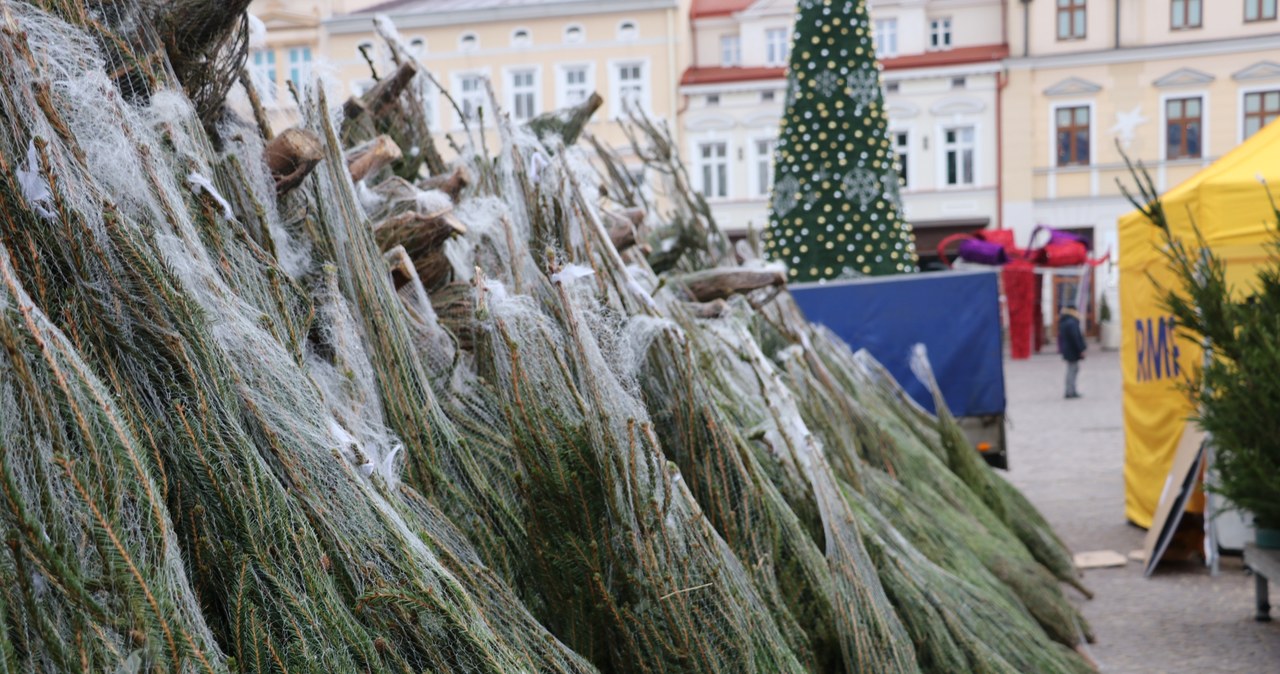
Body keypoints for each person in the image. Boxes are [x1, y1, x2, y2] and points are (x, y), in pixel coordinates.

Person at [1059, 307, 1087, 399]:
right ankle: (1070, 391)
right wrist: (1081, 349)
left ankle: (1070, 390)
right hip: (1072, 350)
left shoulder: (1064, 321)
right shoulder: (1071, 323)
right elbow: (1076, 338)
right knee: (1072, 370)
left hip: (1068, 350)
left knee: (1071, 370)